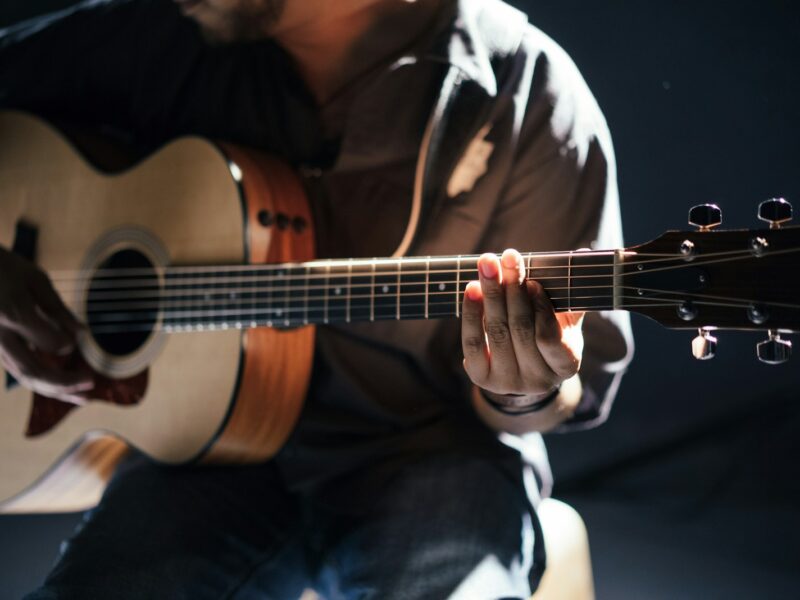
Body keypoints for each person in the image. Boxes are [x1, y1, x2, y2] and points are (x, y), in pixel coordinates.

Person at [0, 0, 633, 597]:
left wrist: (523, 384)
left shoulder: (529, 93)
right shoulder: (166, 32)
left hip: (433, 453)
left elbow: (567, 390)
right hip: (199, 457)